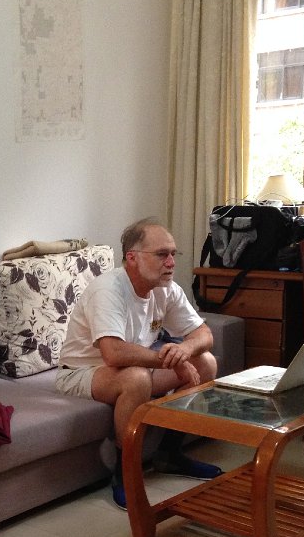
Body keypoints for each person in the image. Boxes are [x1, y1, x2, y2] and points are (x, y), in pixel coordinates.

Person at [56, 218, 222, 510]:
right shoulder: (108, 290)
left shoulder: (165, 288)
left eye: (173, 254)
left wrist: (183, 351)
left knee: (205, 363)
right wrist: (168, 360)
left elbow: (204, 335)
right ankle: (125, 473)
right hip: (82, 372)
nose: (171, 262)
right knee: (136, 378)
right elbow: (113, 353)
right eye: (161, 254)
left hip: (134, 368)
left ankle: (169, 454)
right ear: (132, 258)